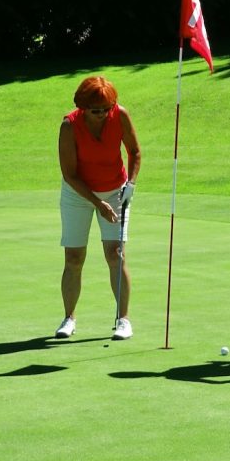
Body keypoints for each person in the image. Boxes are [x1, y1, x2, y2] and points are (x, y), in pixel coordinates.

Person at [55, 76, 141, 341]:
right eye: (96, 110)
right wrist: (97, 203)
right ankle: (69, 318)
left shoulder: (120, 115)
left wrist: (131, 184)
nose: (103, 114)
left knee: (116, 254)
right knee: (74, 257)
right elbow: (70, 175)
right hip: (78, 194)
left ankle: (123, 320)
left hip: (115, 190)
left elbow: (135, 152)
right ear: (83, 107)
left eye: (107, 108)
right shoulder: (69, 126)